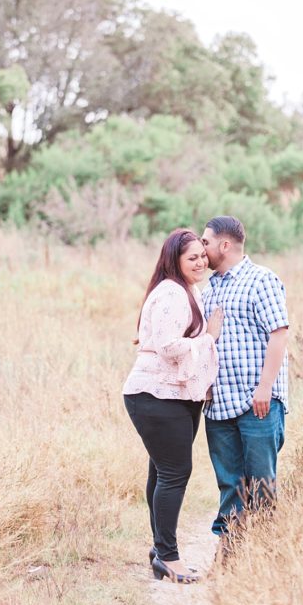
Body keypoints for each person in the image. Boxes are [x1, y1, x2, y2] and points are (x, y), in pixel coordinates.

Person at [122, 228, 222, 584]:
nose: (200, 261)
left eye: (201, 255)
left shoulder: (186, 290)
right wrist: (209, 337)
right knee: (174, 473)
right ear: (175, 260)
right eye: (191, 257)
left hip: (173, 395)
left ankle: (159, 549)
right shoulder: (171, 293)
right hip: (156, 395)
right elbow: (167, 346)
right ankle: (169, 556)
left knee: (162, 471)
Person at [199, 215, 289, 544]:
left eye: (205, 242)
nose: (201, 248)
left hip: (257, 403)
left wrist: (265, 388)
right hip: (219, 407)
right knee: (230, 486)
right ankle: (230, 556)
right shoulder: (208, 290)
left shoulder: (260, 280)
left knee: (261, 485)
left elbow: (279, 334)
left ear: (225, 245)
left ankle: (262, 560)